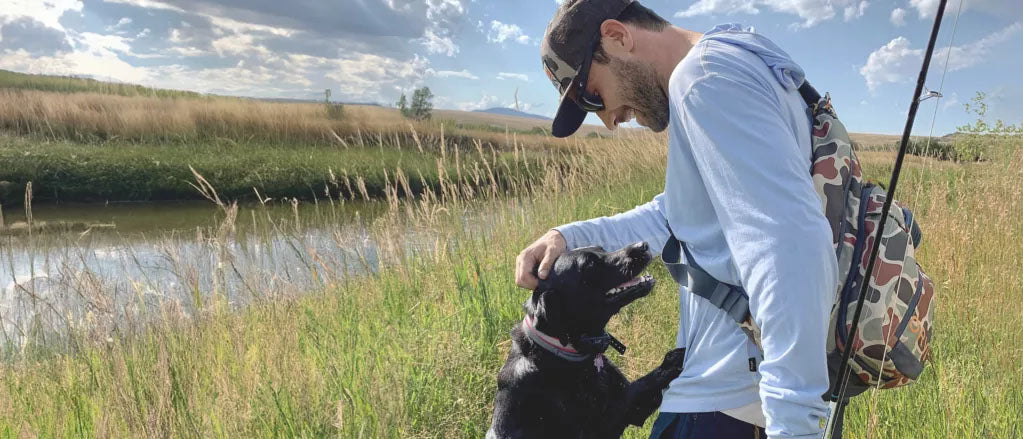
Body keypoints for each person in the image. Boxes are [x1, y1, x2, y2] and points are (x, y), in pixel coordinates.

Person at [517, 1, 840, 438]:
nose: (608, 120)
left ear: (617, 36)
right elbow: (674, 215)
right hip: (734, 395)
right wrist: (568, 236)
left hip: (723, 399)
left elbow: (788, 246)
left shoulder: (704, 80)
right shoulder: (738, 62)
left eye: (592, 94)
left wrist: (794, 426)